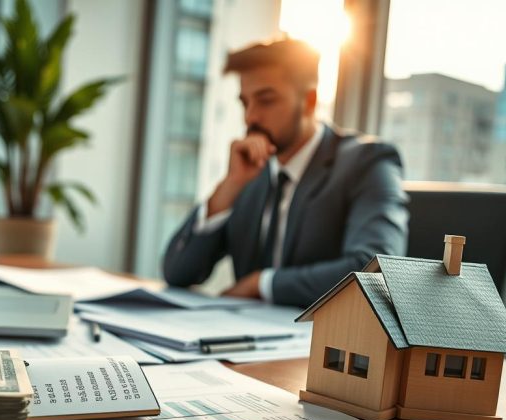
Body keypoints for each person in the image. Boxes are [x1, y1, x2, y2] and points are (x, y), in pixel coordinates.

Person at [162, 38, 409, 309]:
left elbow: (375, 271)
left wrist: (262, 284)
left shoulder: (368, 162)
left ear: (309, 101)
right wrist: (229, 186)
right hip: (244, 337)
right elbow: (177, 272)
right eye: (245, 103)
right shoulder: (250, 172)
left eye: (266, 101)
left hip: (321, 341)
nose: (250, 118)